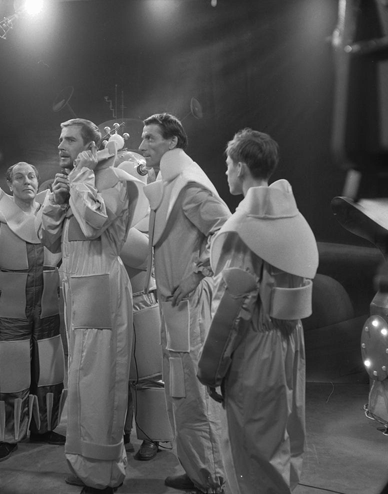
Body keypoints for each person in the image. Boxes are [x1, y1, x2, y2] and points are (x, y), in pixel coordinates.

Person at [197, 128, 319, 493]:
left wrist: (212, 370)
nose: (226, 171)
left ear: (241, 166)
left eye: (228, 164)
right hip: (289, 342)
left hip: (254, 347)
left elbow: (232, 304)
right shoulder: (293, 216)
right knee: (283, 438)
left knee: (251, 447)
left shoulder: (243, 229)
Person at [38, 119, 140, 494]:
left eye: (69, 139)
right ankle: (85, 465)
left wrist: (79, 180)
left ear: (90, 147)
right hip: (77, 289)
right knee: (81, 381)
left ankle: (104, 473)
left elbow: (95, 221)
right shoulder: (75, 181)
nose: (60, 145)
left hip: (101, 287)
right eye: (59, 139)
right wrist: (56, 199)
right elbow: (49, 241)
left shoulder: (115, 179)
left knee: (100, 382)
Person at [139, 113, 231, 494]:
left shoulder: (189, 186)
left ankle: (213, 478)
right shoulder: (169, 183)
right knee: (179, 390)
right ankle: (197, 469)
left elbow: (226, 229)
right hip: (171, 303)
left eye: (150, 138)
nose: (142, 145)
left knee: (194, 391)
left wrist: (198, 273)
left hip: (188, 304)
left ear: (172, 142)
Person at [0, 161, 66, 463]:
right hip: (13, 311)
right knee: (12, 372)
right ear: (9, 184)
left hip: (48, 309)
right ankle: (8, 436)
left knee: (49, 371)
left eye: (31, 176)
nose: (27, 181)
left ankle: (44, 428)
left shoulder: (52, 216)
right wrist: (10, 289)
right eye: (19, 177)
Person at [116, 153, 174, 462]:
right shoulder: (110, 213)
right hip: (113, 302)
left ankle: (152, 436)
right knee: (115, 375)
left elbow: (142, 253)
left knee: (149, 374)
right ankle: (119, 432)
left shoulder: (153, 215)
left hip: (143, 300)